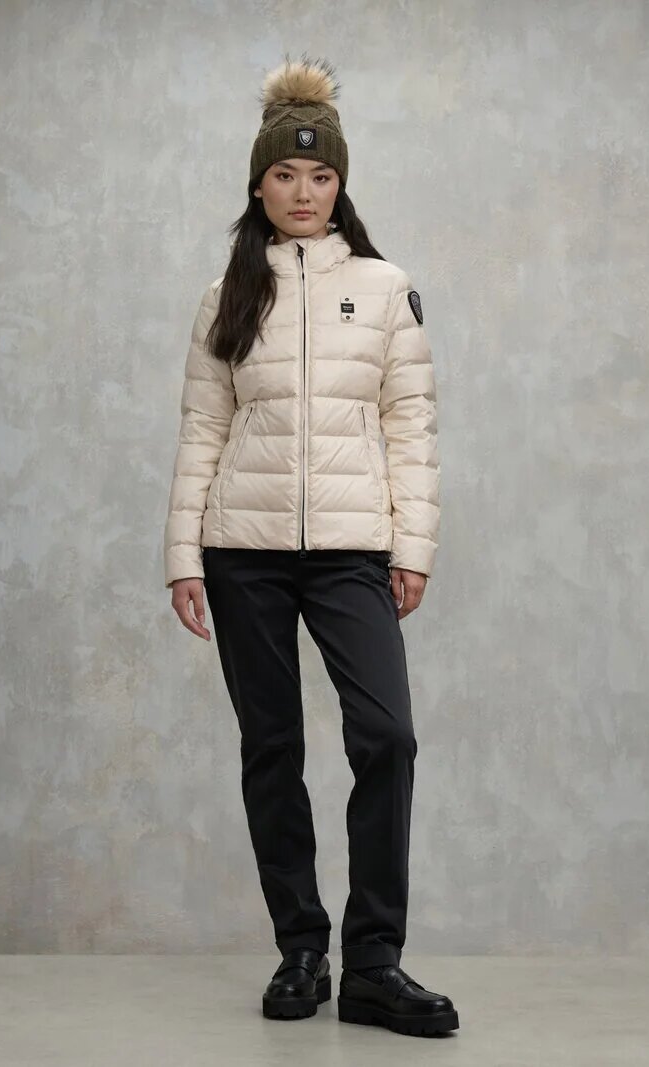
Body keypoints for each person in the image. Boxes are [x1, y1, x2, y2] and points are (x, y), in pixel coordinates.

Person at [163, 53, 458, 1039]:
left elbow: (411, 425)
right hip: (241, 551)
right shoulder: (226, 294)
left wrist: (410, 546)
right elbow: (202, 428)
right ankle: (301, 947)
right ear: (259, 184)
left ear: (340, 184)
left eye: (320, 175)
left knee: (387, 735)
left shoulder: (383, 288)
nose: (302, 192)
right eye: (285, 175)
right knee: (272, 747)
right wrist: (183, 555)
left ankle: (373, 963)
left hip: (349, 548)